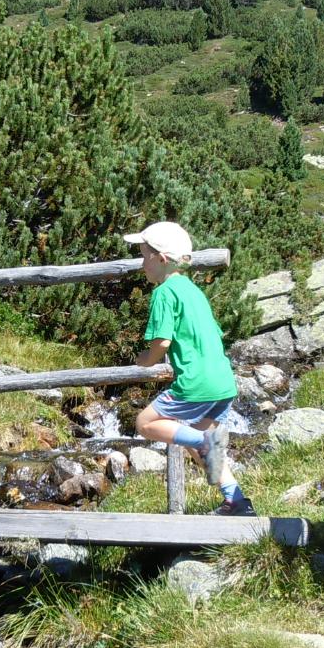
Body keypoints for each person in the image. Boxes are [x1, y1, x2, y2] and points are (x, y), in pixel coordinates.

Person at [124, 221, 253, 517]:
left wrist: (146, 359)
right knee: (201, 447)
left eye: (144, 255)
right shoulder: (193, 292)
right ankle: (236, 501)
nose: (142, 263)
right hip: (222, 381)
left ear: (162, 259)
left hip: (197, 383)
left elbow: (162, 342)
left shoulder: (164, 292)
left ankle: (206, 443)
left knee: (145, 423)